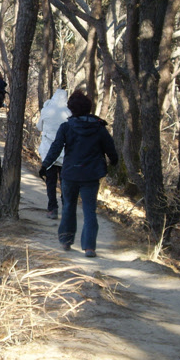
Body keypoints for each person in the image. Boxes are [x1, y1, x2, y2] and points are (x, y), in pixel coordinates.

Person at [39, 90, 118, 258]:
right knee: (90, 210)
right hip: (91, 175)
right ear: (89, 108)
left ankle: (66, 241)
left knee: (68, 207)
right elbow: (110, 148)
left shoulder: (66, 127)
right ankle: (89, 247)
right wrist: (114, 161)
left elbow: (55, 149)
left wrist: (45, 165)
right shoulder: (99, 128)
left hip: (70, 173)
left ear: (71, 109)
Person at [37, 89, 71, 219]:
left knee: (50, 181)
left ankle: (52, 208)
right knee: (64, 182)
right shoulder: (68, 112)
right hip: (64, 152)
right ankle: (66, 208)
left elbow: (39, 127)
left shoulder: (46, 111)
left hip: (47, 151)